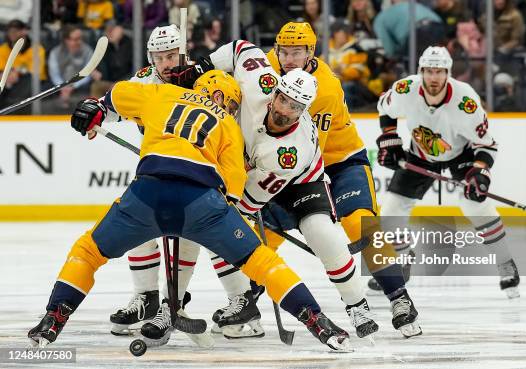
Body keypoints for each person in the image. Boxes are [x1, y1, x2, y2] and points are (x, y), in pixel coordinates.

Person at [27, 70, 352, 352]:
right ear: (230, 102)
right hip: (210, 200)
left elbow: (118, 94)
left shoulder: (165, 93)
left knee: (88, 251)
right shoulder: (229, 124)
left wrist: (97, 111)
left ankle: (53, 318)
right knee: (263, 262)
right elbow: (233, 187)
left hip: (147, 195)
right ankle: (317, 320)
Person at [200, 22, 418, 339]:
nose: (288, 58)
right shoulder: (267, 72)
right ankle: (246, 299)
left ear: (311, 52)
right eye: (283, 51)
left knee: (360, 224)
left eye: (297, 52)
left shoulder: (325, 89)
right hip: (278, 164)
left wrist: (247, 192)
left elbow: (301, 154)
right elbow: (239, 52)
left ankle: (398, 295)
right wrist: (201, 67)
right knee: (256, 239)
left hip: (336, 160)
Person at [171, 38, 379, 340]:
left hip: (302, 183)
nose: (284, 110)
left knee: (321, 232)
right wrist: (200, 68)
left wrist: (224, 203)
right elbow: (240, 48)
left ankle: (357, 305)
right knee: (225, 238)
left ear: (304, 110)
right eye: (283, 100)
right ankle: (243, 305)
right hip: (255, 172)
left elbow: (248, 202)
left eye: (295, 108)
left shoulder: (288, 152)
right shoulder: (261, 83)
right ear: (275, 91)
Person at [376, 46, 521, 299]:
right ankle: (401, 259)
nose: (434, 77)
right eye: (429, 71)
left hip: (461, 155)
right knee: (390, 212)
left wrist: (480, 171)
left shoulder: (466, 102)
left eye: (439, 72)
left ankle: (505, 262)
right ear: (421, 71)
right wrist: (389, 138)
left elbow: (487, 144)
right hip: (420, 154)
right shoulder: (405, 89)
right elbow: (384, 109)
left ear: (448, 73)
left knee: (475, 205)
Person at [102, 25, 205, 338]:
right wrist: (96, 114)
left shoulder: (201, 77)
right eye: (160, 57)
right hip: (157, 167)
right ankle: (146, 298)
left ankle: (176, 301)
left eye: (172, 55)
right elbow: (116, 106)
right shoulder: (143, 80)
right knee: (138, 220)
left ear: (182, 52)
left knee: (194, 232)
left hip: (197, 167)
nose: (166, 63)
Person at [0, 20, 47, 113]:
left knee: (28, 81)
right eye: (10, 31)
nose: (12, 34)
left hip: (30, 82)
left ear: (24, 31)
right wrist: (5, 76)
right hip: (8, 82)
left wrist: (17, 72)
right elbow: (1, 68)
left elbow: (35, 70)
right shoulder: (3, 49)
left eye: (15, 31)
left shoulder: (37, 49)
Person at [47, 25, 94, 110]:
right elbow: (54, 74)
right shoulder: (55, 52)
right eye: (76, 39)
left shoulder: (88, 50)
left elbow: (89, 73)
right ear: (66, 40)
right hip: (59, 86)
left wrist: (73, 86)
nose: (79, 41)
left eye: (80, 38)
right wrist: (63, 86)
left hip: (81, 86)